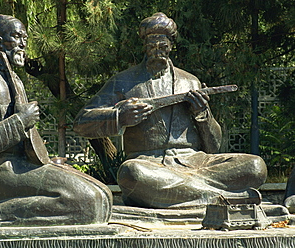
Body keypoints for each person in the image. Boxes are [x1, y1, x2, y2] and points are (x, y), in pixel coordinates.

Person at [73, 13, 267, 208]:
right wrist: (119, 117)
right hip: (149, 166)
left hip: (195, 163)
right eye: (151, 47)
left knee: (255, 166)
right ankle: (221, 196)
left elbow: (213, 147)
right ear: (144, 47)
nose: (157, 52)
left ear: (171, 46)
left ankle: (194, 194)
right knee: (130, 174)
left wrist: (202, 114)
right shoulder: (123, 82)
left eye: (163, 47)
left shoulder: (190, 81)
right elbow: (81, 123)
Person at [0, 14, 112, 227]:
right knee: (89, 201)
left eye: (25, 39)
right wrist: (20, 121)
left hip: (21, 166)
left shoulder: (14, 79)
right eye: (16, 37)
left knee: (103, 196)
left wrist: (45, 160)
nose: (23, 44)